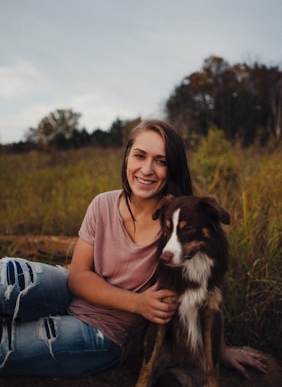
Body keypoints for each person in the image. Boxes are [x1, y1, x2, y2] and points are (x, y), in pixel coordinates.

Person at [0, 119, 267, 379]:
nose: (147, 169)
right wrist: (138, 302)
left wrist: (220, 350)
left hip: (109, 330)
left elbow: (205, 291)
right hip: (74, 294)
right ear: (127, 156)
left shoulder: (177, 225)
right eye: (140, 155)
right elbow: (78, 276)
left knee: (7, 346)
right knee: (7, 274)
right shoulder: (102, 204)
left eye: (160, 161)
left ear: (173, 167)